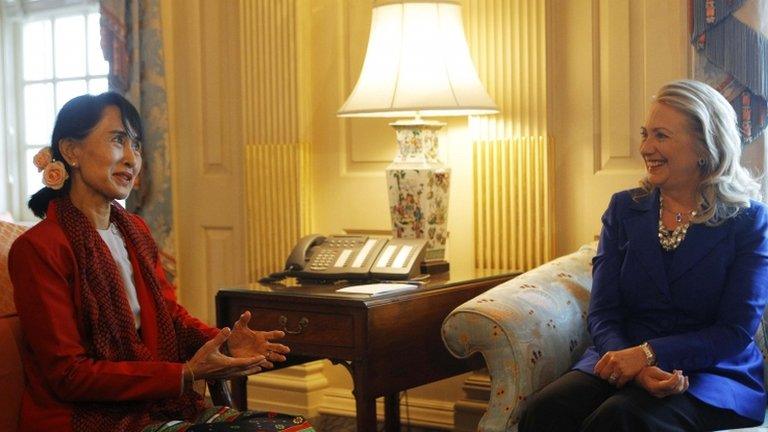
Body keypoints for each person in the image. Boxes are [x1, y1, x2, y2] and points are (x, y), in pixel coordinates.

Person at [9, 92, 311, 432]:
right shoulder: (38, 248)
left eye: (136, 145)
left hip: (156, 408)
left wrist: (224, 344)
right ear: (71, 151)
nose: (131, 158)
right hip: (86, 420)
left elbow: (171, 319)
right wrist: (183, 374)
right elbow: (69, 375)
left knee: (298, 426)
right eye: (118, 140)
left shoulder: (134, 230)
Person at [519, 79, 768, 431]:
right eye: (645, 134)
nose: (646, 147)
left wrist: (650, 354)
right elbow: (604, 312)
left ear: (704, 146)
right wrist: (633, 366)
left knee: (622, 417)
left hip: (711, 373)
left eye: (661, 136)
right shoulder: (625, 209)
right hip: (621, 356)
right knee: (546, 410)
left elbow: (735, 330)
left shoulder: (748, 221)